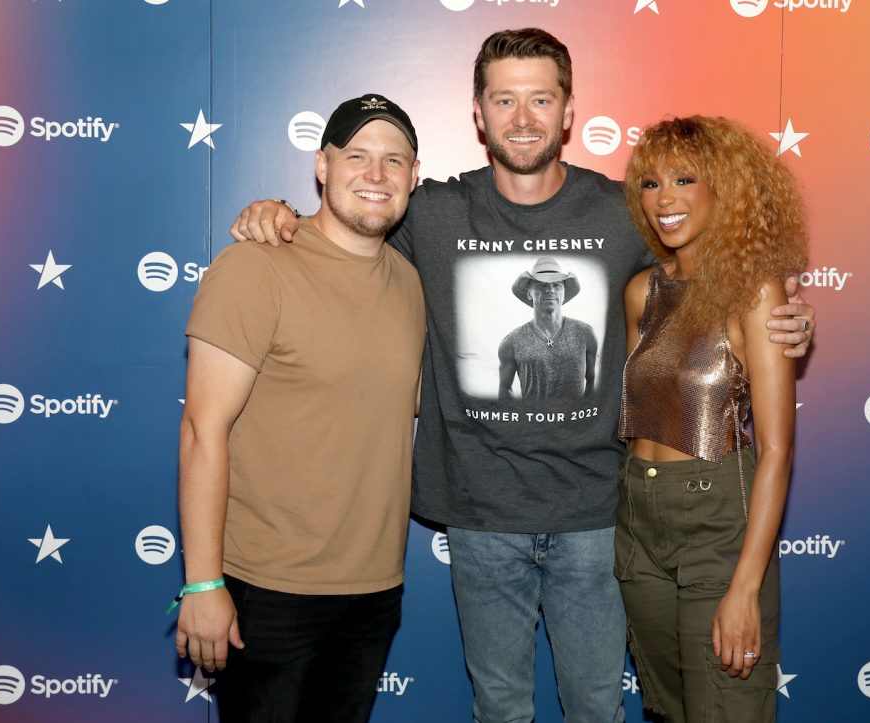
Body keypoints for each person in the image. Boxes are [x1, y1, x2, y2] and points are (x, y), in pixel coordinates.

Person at [229, 29, 814, 723]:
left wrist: (785, 316)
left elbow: (708, 255)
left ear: (569, 111)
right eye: (504, 99)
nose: (523, 117)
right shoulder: (434, 210)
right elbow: (353, 221)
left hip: (599, 517)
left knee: (599, 707)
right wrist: (280, 215)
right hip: (482, 519)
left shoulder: (623, 210)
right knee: (500, 710)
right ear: (478, 113)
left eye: (541, 98)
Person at [173, 94, 424, 723]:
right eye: (357, 156)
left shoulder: (410, 281)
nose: (376, 174)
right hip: (268, 590)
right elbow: (204, 430)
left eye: (394, 160)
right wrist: (203, 583)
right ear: (322, 165)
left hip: (373, 592)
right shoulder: (255, 267)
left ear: (414, 178)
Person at [616, 116, 807, 722]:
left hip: (718, 522)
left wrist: (746, 586)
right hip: (637, 524)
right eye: (649, 182)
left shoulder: (757, 293)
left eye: (683, 178)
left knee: (726, 708)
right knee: (670, 710)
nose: (663, 198)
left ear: (723, 188)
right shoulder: (640, 291)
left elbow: (776, 450)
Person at [499, 257, 598, 400]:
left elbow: (592, 383)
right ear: (529, 294)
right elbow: (504, 388)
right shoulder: (511, 342)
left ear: (564, 294)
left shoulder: (585, 334)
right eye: (541, 285)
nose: (550, 290)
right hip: (533, 421)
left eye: (557, 285)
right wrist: (521, 419)